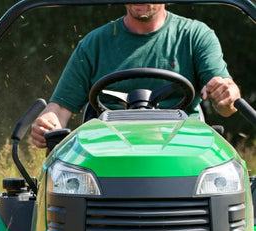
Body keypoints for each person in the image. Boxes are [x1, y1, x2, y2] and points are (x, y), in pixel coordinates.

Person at [31, 3, 241, 148]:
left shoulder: (194, 36)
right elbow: (59, 109)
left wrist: (226, 95)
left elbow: (226, 98)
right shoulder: (94, 44)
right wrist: (48, 123)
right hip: (106, 152)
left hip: (183, 148)